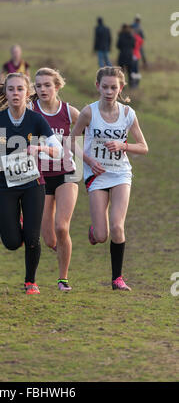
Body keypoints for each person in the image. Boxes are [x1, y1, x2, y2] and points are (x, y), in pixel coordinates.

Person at [0, 73, 63, 295]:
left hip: (33, 184)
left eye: (20, 89)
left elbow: (57, 150)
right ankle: (19, 223)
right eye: (11, 89)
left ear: (27, 93)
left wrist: (39, 149)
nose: (15, 93)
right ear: (5, 93)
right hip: (5, 187)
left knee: (32, 238)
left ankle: (30, 281)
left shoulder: (37, 120)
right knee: (12, 242)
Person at [71, 66, 148, 291]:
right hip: (96, 174)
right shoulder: (88, 112)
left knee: (117, 226)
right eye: (105, 86)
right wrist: (88, 160)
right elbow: (70, 140)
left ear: (120, 88)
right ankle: (94, 231)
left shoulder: (128, 114)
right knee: (103, 234)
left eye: (114, 87)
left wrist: (124, 145)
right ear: (98, 86)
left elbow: (143, 147)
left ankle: (117, 279)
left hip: (121, 173)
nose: (109, 91)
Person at [29, 68, 80, 292]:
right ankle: (63, 251)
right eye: (38, 86)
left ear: (57, 86)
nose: (42, 89)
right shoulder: (30, 111)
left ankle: (63, 279)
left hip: (66, 174)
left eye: (47, 85)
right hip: (40, 177)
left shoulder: (70, 112)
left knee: (62, 226)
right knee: (50, 239)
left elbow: (92, 131)